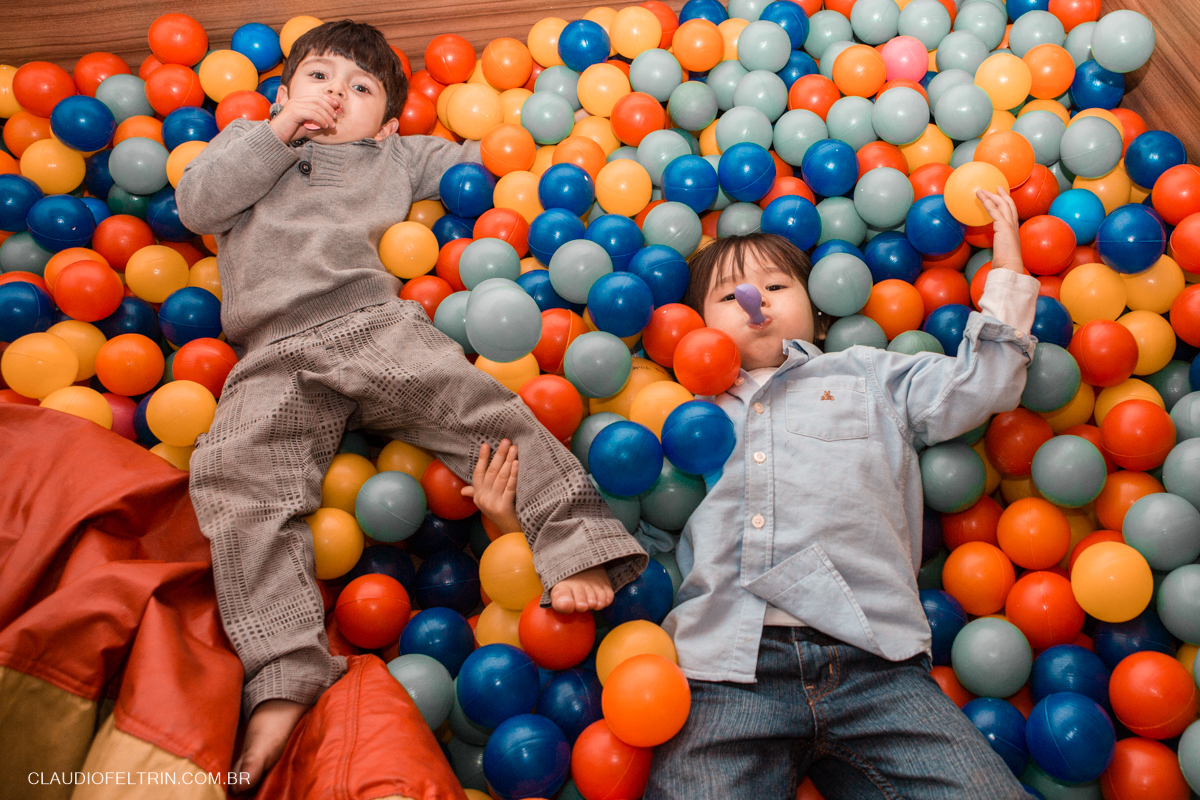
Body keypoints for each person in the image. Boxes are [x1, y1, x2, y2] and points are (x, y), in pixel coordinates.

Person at [174, 20, 646, 792]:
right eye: (319, 79)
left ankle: (576, 539)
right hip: (271, 354)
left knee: (479, 408)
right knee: (236, 482)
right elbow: (198, 206)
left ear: (388, 121)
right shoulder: (250, 141)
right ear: (283, 92)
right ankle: (284, 677)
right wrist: (274, 133)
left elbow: (489, 164)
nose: (336, 97)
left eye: (360, 90)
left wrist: (557, 135)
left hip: (370, 325)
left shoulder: (395, 156)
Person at [644, 188, 1038, 800]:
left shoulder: (867, 373)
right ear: (696, 325)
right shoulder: (678, 412)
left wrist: (1008, 267)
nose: (755, 300)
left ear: (818, 308)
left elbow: (980, 382)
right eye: (729, 295)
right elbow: (643, 517)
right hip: (726, 666)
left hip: (875, 660)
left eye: (776, 287)